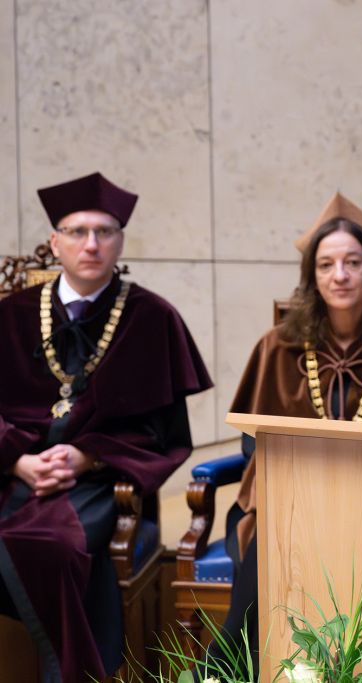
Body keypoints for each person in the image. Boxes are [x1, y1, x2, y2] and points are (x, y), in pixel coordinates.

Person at [203, 192, 362, 677]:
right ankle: (231, 666)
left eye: (352, 262)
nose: (340, 275)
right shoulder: (279, 345)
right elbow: (253, 440)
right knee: (277, 532)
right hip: (288, 497)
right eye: (327, 264)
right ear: (312, 275)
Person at [0, 172, 213, 682]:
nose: (90, 244)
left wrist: (86, 456)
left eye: (104, 232)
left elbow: (165, 433)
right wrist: (18, 459)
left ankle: (67, 670)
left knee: (49, 542)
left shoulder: (153, 318)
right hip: (11, 469)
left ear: (120, 240)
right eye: (76, 232)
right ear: (55, 242)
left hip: (96, 482)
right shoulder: (10, 315)